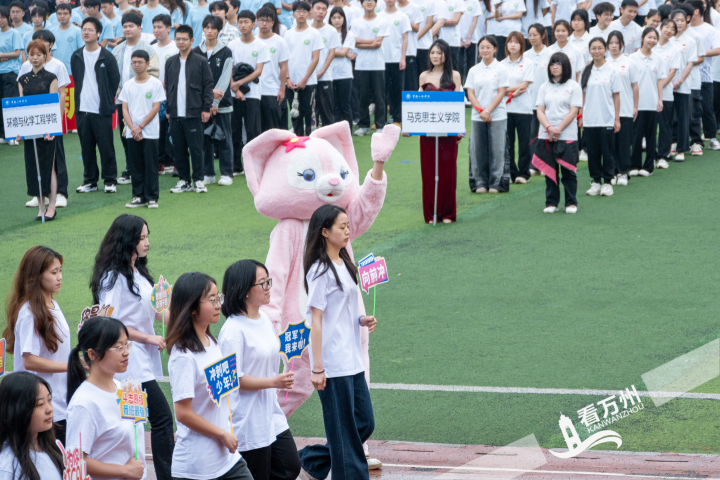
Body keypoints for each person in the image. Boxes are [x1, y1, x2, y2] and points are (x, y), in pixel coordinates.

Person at [89, 214, 174, 480]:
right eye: (141, 238)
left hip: (142, 359)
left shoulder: (138, 272)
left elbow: (157, 310)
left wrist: (180, 322)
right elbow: (111, 322)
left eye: (147, 236)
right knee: (160, 418)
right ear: (127, 240)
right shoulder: (113, 277)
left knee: (136, 422)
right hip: (128, 363)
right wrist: (149, 338)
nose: (147, 242)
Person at [296, 204, 378, 480]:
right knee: (344, 432)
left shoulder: (345, 264)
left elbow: (341, 310)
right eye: (341, 227)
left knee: (363, 422)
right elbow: (316, 320)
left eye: (347, 226)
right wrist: (317, 368)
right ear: (324, 232)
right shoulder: (320, 271)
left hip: (351, 359)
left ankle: (310, 461)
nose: (347, 231)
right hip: (332, 363)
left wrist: (361, 319)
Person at [218, 260, 302, 480]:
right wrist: (273, 382)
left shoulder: (263, 318)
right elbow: (233, 379)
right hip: (247, 419)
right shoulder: (232, 332)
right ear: (245, 290)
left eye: (268, 281)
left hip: (270, 412)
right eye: (262, 283)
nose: (268, 288)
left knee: (290, 466)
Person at [166, 272, 254, 480]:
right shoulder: (183, 357)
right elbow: (183, 413)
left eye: (218, 298)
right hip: (197, 467)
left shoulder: (211, 342)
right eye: (212, 300)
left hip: (226, 459)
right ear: (192, 307)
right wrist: (222, 434)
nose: (218, 305)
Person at [66, 317, 146, 480]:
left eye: (127, 345)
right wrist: (125, 471)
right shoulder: (84, 403)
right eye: (118, 347)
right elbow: (76, 460)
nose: (126, 352)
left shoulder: (125, 389)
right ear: (93, 354)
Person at [3, 246, 69, 446]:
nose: (60, 277)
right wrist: (70, 366)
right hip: (39, 407)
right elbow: (29, 360)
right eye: (54, 272)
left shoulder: (52, 305)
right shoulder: (29, 312)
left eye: (60, 271)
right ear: (36, 276)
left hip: (58, 403)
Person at [20, 30, 70, 210]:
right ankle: (39, 194)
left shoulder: (58, 66)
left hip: (51, 119)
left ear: (50, 45)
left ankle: (61, 192)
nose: (35, 55)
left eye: (42, 42)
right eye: (35, 42)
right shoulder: (25, 67)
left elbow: (62, 93)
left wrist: (58, 118)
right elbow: (22, 96)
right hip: (32, 121)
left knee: (56, 157)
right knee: (34, 158)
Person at [414, 39, 463, 222]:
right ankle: (430, 213)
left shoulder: (455, 75)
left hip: (448, 129)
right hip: (427, 130)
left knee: (447, 170)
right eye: (432, 53)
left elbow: (458, 102)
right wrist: (417, 129)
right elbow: (418, 104)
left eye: (439, 53)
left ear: (446, 55)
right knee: (428, 170)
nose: (435, 56)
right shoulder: (424, 76)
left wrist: (459, 128)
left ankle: (448, 213)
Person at [71, 17, 120, 194]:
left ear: (99, 33)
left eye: (90, 29)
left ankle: (110, 180)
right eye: (84, 29)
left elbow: (115, 80)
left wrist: (106, 98)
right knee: (86, 148)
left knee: (106, 147)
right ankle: (90, 181)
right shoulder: (76, 55)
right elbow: (77, 79)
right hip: (82, 109)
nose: (86, 32)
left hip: (101, 109)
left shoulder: (107, 56)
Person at [113, 11, 161, 187]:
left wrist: (139, 89)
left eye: (131, 26)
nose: (127, 29)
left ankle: (146, 170)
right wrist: (119, 91)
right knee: (126, 135)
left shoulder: (148, 48)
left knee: (145, 135)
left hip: (143, 100)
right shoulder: (117, 49)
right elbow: (113, 75)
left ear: (140, 28)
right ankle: (130, 169)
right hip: (122, 99)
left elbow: (154, 72)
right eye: (125, 26)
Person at [165, 25, 214, 193]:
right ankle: (184, 180)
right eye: (178, 39)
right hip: (175, 113)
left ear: (191, 40)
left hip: (194, 112)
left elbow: (208, 86)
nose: (181, 42)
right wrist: (168, 110)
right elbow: (168, 87)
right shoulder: (170, 62)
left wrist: (206, 108)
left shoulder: (200, 61)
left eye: (184, 39)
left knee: (196, 148)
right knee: (178, 148)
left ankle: (198, 180)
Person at [15, 41, 61, 220]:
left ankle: (52, 206)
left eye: (38, 54)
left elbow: (53, 104)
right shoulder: (22, 79)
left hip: (47, 129)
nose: (35, 58)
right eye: (31, 54)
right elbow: (20, 106)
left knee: (49, 166)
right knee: (33, 166)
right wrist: (19, 130)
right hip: (30, 129)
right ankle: (41, 207)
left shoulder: (51, 78)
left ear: (45, 55)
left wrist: (51, 130)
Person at [533, 51, 583, 213]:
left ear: (565, 66)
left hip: (567, 134)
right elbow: (540, 110)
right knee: (550, 171)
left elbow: (573, 112)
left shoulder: (574, 86)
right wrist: (549, 128)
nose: (555, 67)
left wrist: (558, 129)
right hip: (546, 133)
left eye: (558, 64)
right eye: (552, 64)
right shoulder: (544, 87)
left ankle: (571, 203)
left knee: (568, 171)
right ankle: (551, 203)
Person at [119, 50, 165, 208]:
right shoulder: (128, 85)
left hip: (150, 132)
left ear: (147, 64)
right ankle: (138, 196)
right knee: (135, 165)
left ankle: (152, 197)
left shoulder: (155, 83)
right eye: (134, 62)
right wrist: (133, 128)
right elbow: (124, 109)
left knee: (151, 165)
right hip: (132, 132)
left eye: (140, 62)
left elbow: (155, 108)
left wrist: (140, 127)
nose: (136, 65)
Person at [0, 372, 63, 480]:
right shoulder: (7, 466)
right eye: (40, 404)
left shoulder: (50, 446)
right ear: (17, 411)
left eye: (49, 400)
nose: (49, 409)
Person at [466, 35, 509, 193]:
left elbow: (501, 92)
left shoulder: (501, 69)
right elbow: (470, 93)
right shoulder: (473, 70)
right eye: (482, 47)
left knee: (497, 149)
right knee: (477, 150)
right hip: (478, 115)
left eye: (488, 47)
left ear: (495, 49)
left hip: (497, 114)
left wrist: (488, 110)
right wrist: (481, 111)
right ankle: (480, 182)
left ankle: (496, 183)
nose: (484, 50)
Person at [194, 15, 234, 187]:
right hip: (202, 105)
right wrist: (208, 98)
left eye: (213, 28)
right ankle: (208, 173)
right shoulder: (196, 51)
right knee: (204, 139)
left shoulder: (226, 51)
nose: (209, 31)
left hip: (222, 104)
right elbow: (194, 79)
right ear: (203, 29)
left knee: (224, 138)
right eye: (207, 27)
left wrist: (215, 103)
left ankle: (226, 173)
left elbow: (225, 80)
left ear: (219, 30)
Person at [228, 10, 269, 177]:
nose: (243, 25)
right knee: (235, 130)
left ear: (254, 24)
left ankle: (253, 165)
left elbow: (258, 71)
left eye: (246, 22)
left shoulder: (260, 46)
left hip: (253, 95)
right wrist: (236, 89)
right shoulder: (232, 45)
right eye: (240, 22)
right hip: (234, 95)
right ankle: (236, 166)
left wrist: (239, 83)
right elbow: (229, 69)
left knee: (253, 131)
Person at [579, 36, 620, 196]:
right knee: (593, 153)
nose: (597, 51)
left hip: (606, 118)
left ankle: (608, 182)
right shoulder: (586, 71)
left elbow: (616, 96)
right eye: (593, 48)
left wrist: (616, 119)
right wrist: (581, 116)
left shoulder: (612, 71)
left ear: (605, 50)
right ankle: (596, 181)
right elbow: (583, 95)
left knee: (607, 152)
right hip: (590, 119)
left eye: (600, 48)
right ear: (589, 50)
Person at [629, 27, 663, 176]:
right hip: (636, 103)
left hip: (652, 102)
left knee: (651, 135)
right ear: (642, 38)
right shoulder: (632, 58)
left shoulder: (658, 58)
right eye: (649, 37)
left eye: (655, 38)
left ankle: (648, 166)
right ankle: (635, 165)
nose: (652, 40)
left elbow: (659, 80)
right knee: (636, 135)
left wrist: (660, 99)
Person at [285, 2, 323, 135]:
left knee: (309, 114)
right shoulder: (288, 34)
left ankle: (310, 141)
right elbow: (284, 59)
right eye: (298, 11)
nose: (301, 14)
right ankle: (298, 141)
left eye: (304, 11)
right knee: (295, 115)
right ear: (293, 14)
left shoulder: (314, 33)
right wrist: (287, 78)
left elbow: (315, 58)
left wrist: (305, 79)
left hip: (308, 82)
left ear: (309, 13)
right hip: (291, 82)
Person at [687, 0, 720, 151]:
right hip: (686, 75)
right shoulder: (684, 29)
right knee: (690, 109)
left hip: (705, 75)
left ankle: (711, 138)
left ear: (696, 11)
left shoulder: (710, 29)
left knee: (707, 107)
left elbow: (718, 49)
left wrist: (699, 53)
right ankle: (691, 139)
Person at [502, 31, 534, 184]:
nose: (513, 45)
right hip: (505, 109)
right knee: (507, 143)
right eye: (510, 41)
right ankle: (510, 172)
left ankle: (523, 173)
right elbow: (498, 88)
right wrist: (510, 92)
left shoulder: (528, 63)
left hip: (523, 108)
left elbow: (524, 85)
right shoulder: (501, 64)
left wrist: (505, 90)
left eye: (516, 42)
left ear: (522, 45)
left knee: (524, 143)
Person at [606, 31, 638, 185]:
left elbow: (635, 86)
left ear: (622, 45)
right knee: (609, 143)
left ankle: (623, 172)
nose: (614, 46)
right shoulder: (603, 63)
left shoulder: (629, 62)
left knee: (624, 142)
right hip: (607, 110)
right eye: (611, 43)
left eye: (616, 43)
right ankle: (611, 172)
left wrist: (635, 106)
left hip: (625, 108)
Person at [352, 0, 388, 136]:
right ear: (361, 4)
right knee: (362, 97)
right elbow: (353, 41)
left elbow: (378, 42)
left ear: (376, 4)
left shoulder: (382, 21)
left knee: (379, 96)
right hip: (361, 64)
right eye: (365, 0)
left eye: (372, 0)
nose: (368, 2)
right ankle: (363, 126)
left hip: (378, 64)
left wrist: (360, 42)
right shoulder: (356, 22)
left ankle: (380, 125)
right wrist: (370, 43)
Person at [669, 8, 698, 162]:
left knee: (682, 117)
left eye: (682, 20)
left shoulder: (690, 40)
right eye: (676, 20)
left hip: (683, 84)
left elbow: (690, 63)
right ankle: (667, 147)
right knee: (667, 117)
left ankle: (681, 149)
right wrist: (668, 82)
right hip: (666, 85)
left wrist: (679, 81)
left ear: (687, 20)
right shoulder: (666, 39)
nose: (679, 23)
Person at [151, 13, 178, 175]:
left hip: (172, 94)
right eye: (154, 27)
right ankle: (160, 161)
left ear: (168, 28)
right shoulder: (151, 48)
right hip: (155, 95)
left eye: (160, 27)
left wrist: (166, 83)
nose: (156, 30)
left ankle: (175, 161)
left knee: (173, 129)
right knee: (158, 129)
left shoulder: (175, 47)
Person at [257, 6, 290, 132]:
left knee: (273, 128)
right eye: (261, 20)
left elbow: (283, 67)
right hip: (255, 92)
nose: (264, 23)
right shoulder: (254, 40)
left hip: (272, 90)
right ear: (257, 21)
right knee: (257, 129)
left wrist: (282, 89)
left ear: (273, 22)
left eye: (267, 21)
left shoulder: (279, 41)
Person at [653, 18, 679, 169]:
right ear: (661, 27)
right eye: (667, 27)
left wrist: (659, 88)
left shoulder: (674, 50)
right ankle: (651, 156)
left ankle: (663, 156)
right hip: (648, 94)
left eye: (673, 29)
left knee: (664, 126)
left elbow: (672, 72)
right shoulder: (651, 45)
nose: (669, 30)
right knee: (649, 126)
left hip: (666, 93)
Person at [379, 0, 409, 126]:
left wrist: (403, 58)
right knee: (381, 91)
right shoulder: (379, 16)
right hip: (381, 60)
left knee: (397, 89)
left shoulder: (402, 16)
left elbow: (405, 38)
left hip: (397, 59)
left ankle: (397, 119)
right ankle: (381, 120)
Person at [526, 23, 551, 170]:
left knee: (545, 133)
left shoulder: (550, 54)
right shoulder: (525, 56)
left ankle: (546, 163)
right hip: (529, 101)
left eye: (535, 35)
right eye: (530, 35)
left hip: (546, 102)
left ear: (543, 35)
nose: (532, 38)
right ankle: (533, 164)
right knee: (532, 133)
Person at [310, 0, 339, 127]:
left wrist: (321, 72)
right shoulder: (307, 29)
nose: (320, 12)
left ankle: (329, 138)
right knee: (310, 112)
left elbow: (331, 54)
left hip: (325, 77)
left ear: (327, 11)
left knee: (326, 111)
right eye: (318, 8)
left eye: (323, 9)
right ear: (312, 9)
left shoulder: (331, 31)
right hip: (307, 78)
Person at [329, 6, 355, 125]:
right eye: (334, 18)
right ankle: (336, 132)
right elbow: (343, 52)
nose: (336, 20)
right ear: (330, 19)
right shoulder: (328, 34)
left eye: (339, 17)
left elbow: (344, 52)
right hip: (330, 75)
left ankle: (347, 132)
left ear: (344, 19)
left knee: (345, 106)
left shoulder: (349, 34)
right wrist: (340, 52)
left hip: (345, 74)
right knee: (334, 107)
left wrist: (329, 52)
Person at [0, 6, 22, 146]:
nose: (0, 20)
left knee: (9, 103)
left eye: (2, 17)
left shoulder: (14, 33)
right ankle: (2, 134)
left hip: (11, 72)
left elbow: (17, 53)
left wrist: (2, 55)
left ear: (8, 18)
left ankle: (13, 135)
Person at [48, 4, 83, 75]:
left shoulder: (77, 31)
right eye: (59, 14)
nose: (62, 16)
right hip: (55, 70)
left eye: (65, 13)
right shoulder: (51, 31)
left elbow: (81, 51)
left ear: (70, 15)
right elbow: (49, 51)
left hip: (72, 70)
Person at [397, 0, 423, 91]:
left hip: (409, 51)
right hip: (394, 53)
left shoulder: (414, 7)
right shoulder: (391, 8)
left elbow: (416, 28)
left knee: (409, 82)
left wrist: (404, 20)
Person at [414, 0, 440, 77]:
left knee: (425, 75)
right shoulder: (406, 2)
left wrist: (414, 39)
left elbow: (428, 25)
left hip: (424, 46)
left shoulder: (430, 2)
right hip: (409, 49)